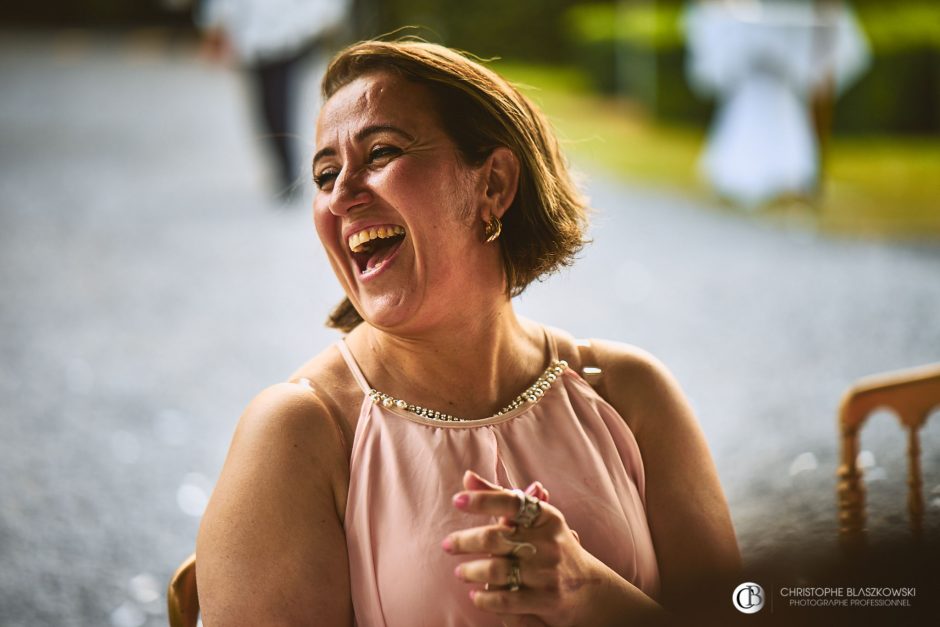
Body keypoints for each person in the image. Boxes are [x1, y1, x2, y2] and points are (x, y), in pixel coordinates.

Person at [196, 40, 741, 626]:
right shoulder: (301, 433)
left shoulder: (629, 394)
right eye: (325, 174)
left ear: (494, 185)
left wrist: (590, 595)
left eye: (380, 152)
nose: (342, 194)